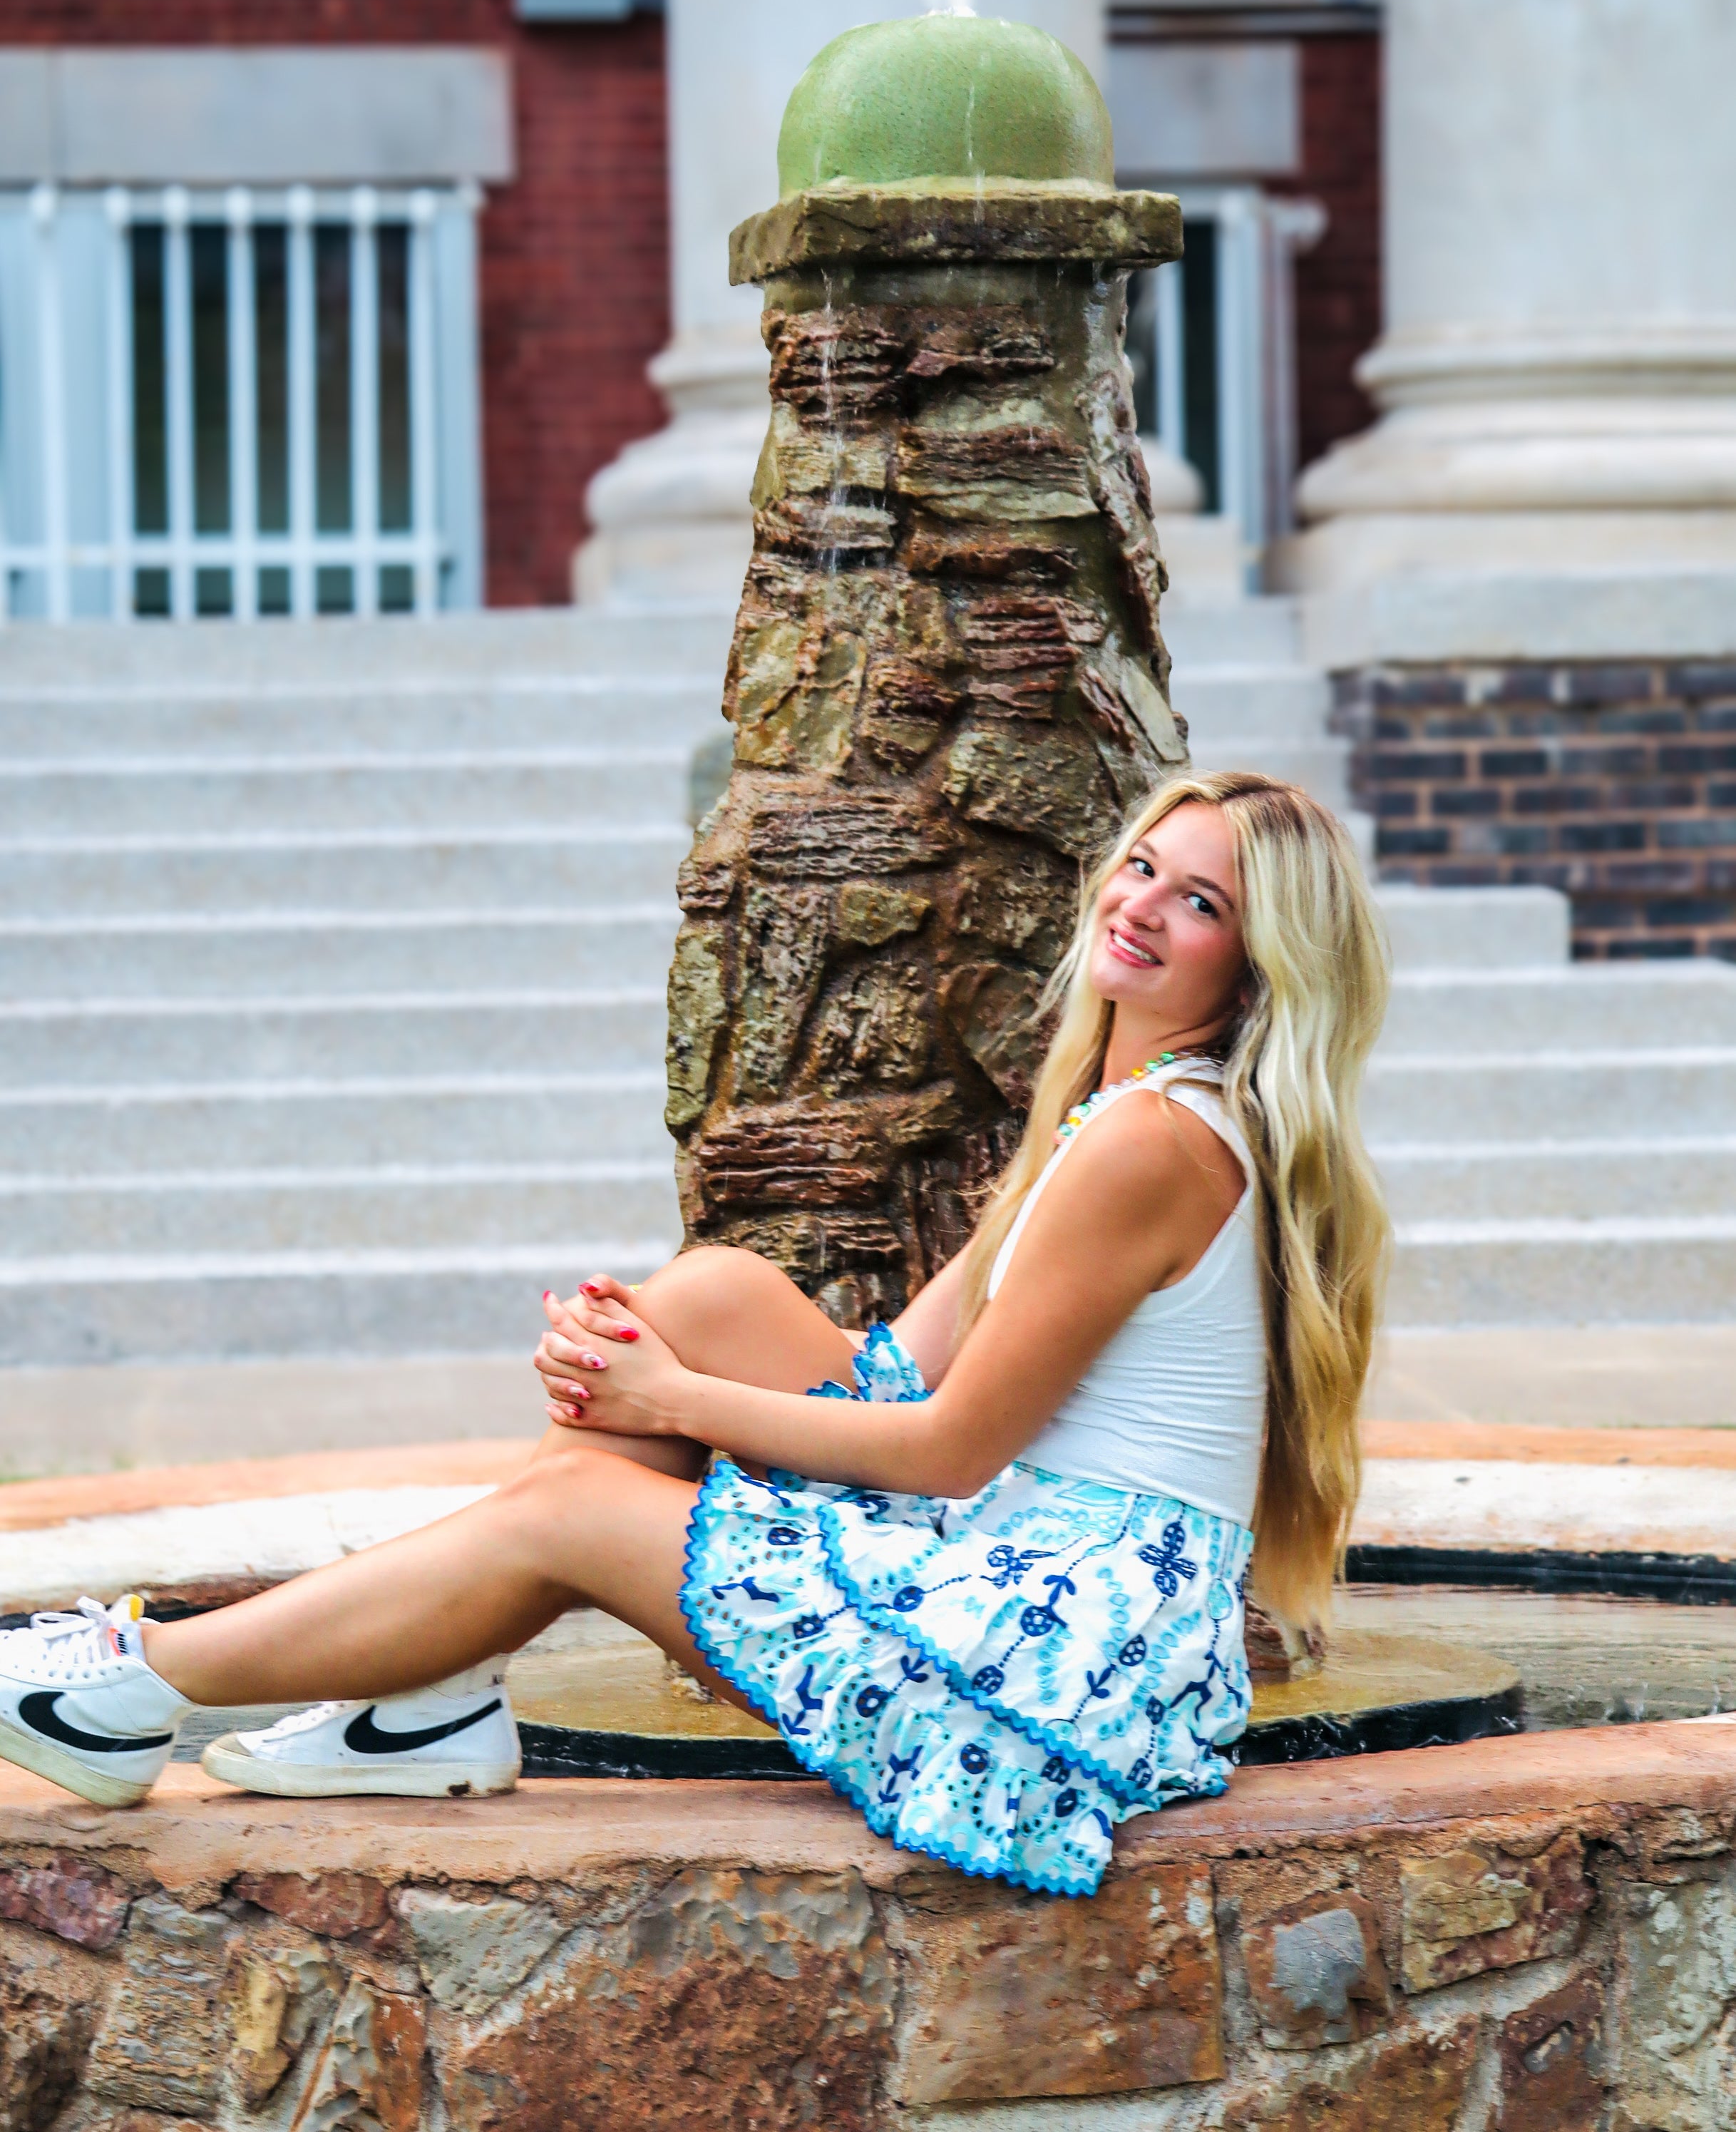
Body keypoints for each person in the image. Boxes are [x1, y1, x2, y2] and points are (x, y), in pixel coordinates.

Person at [0, 771, 1390, 1899]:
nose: (1141, 905)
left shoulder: (1153, 1142)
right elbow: (900, 1375)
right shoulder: (1119, 1109)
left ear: (1258, 963)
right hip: (1052, 1576)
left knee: (571, 1508)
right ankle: (427, 1695)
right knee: (716, 1288)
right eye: (1143, 865)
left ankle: (133, 1681)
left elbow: (951, 1448)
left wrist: (667, 1397)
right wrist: (646, 1357)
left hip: (1059, 1659)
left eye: (1199, 901)